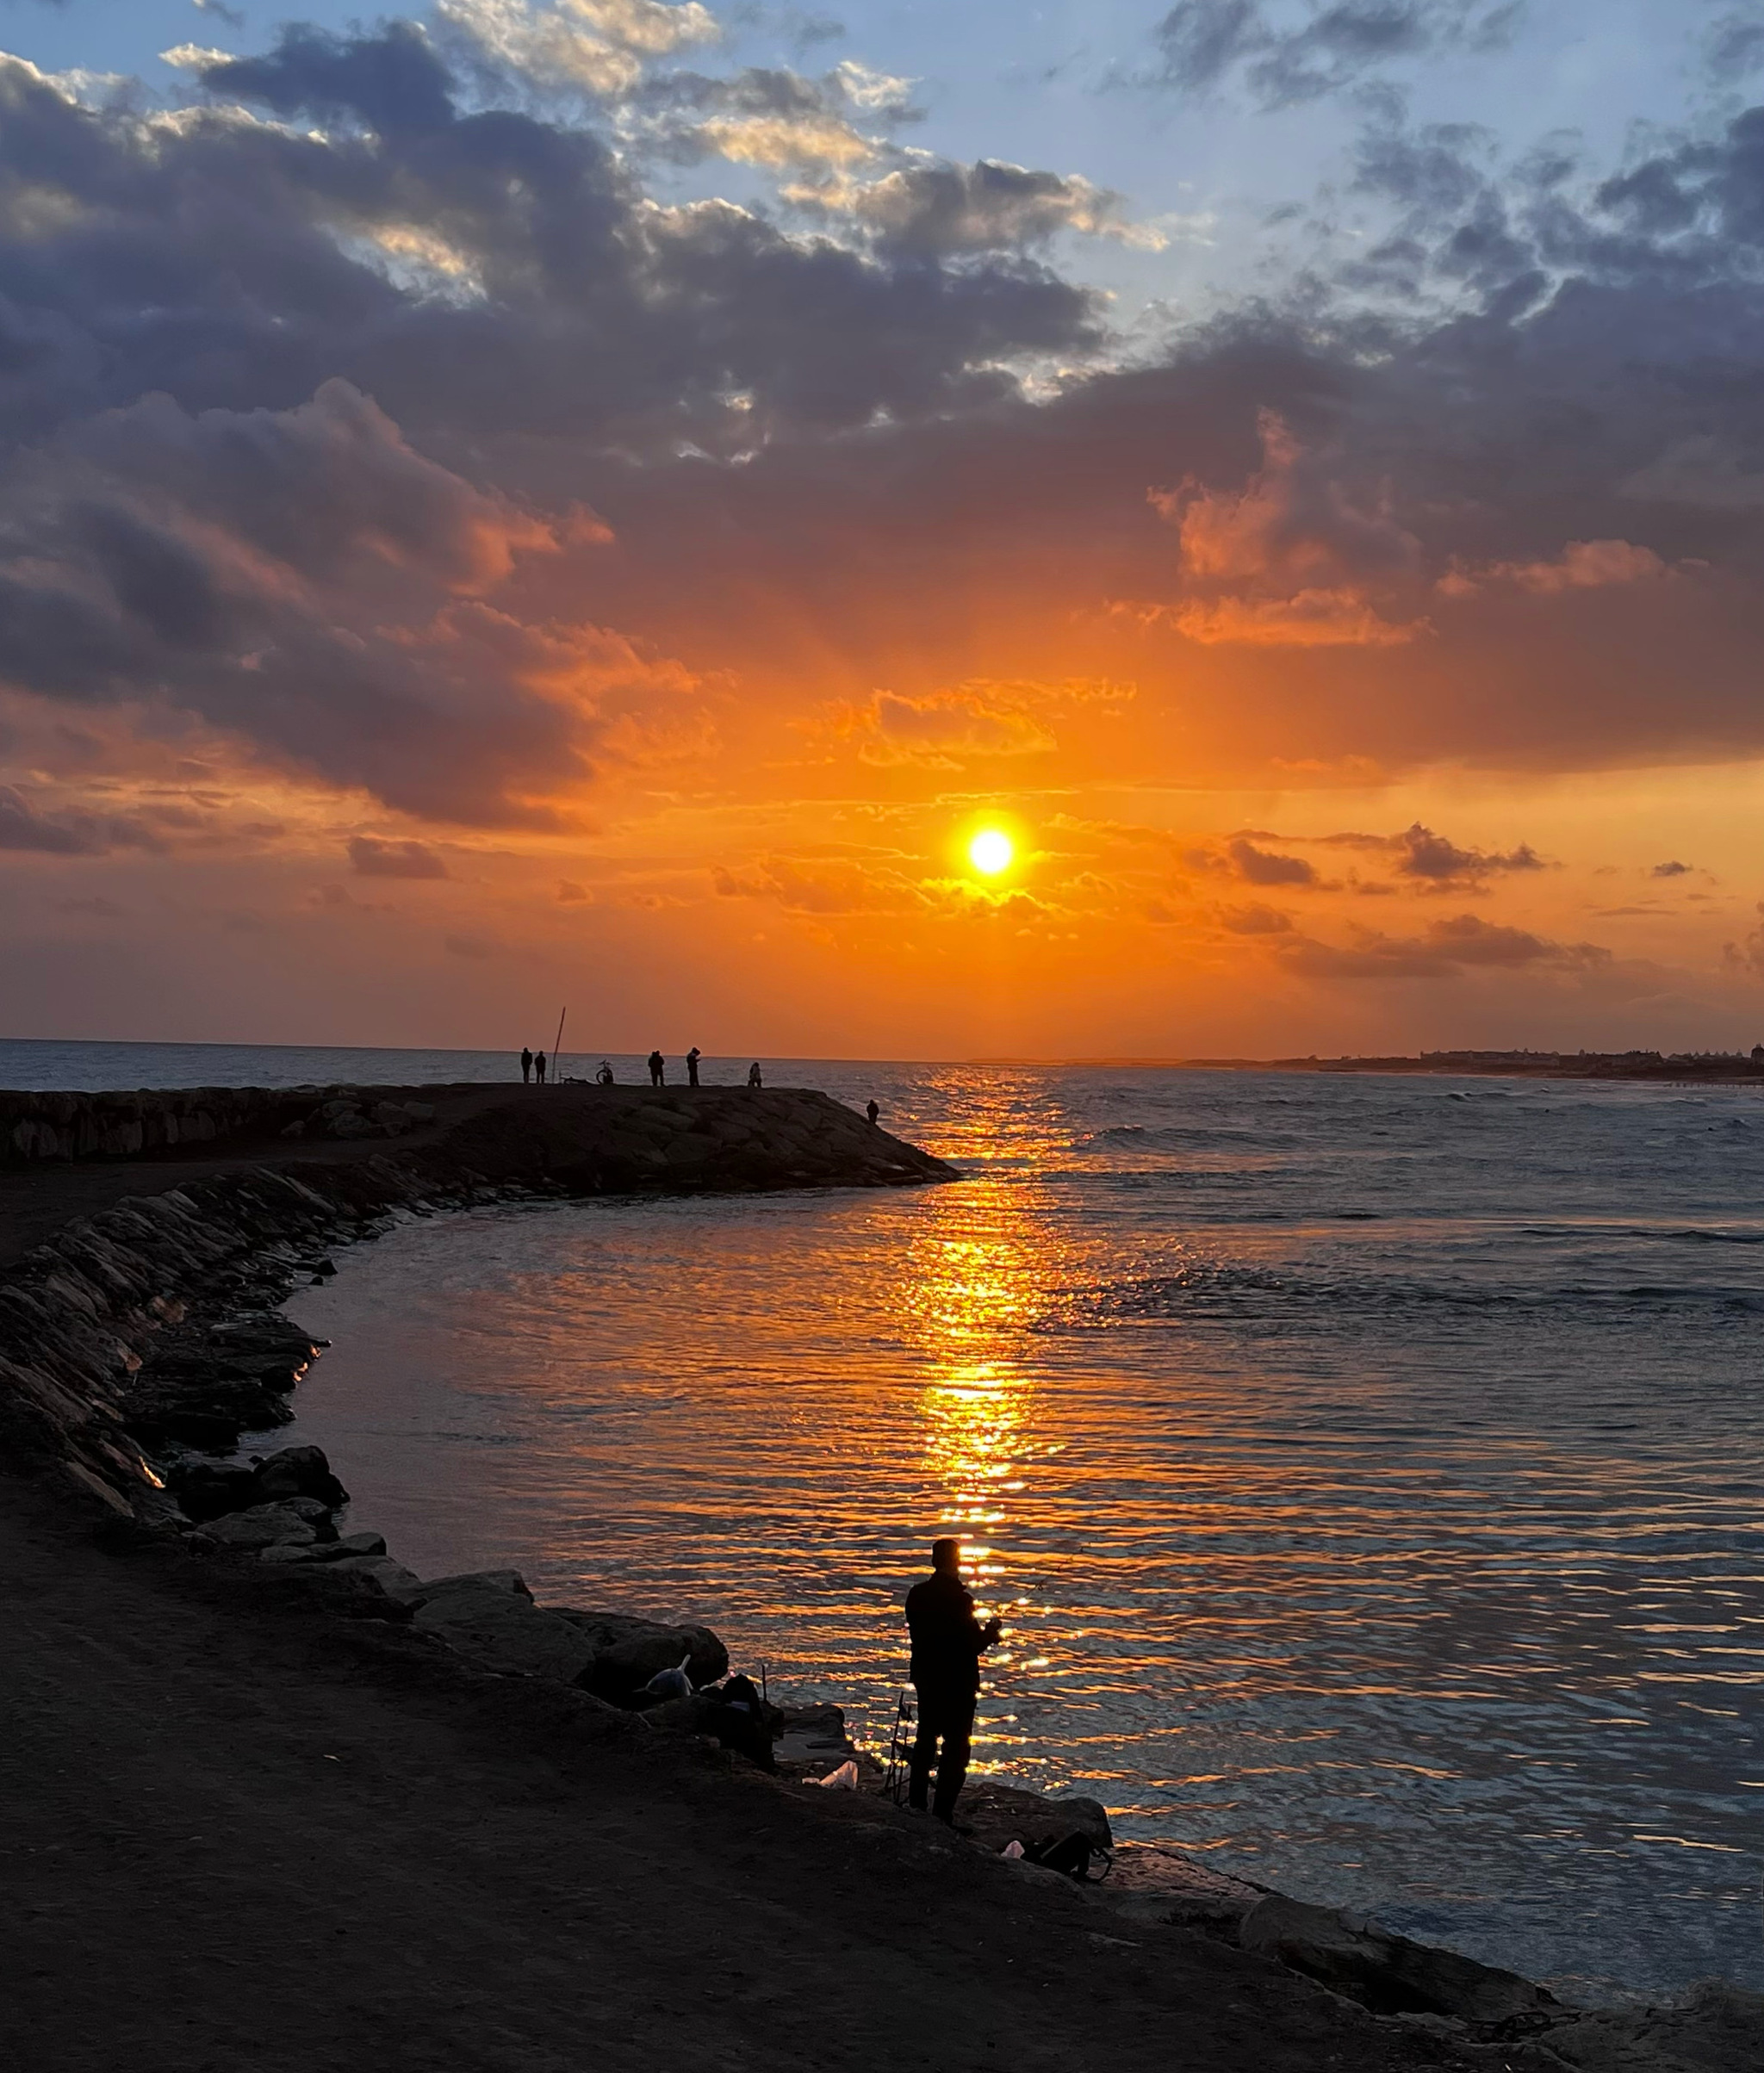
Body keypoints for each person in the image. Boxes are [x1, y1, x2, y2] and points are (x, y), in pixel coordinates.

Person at [904, 1537, 1000, 1826]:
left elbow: (922, 1635)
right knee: (956, 1749)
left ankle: (916, 1806)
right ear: (956, 1561)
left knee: (925, 1741)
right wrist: (991, 1632)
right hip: (957, 1685)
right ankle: (942, 1814)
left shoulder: (916, 1595)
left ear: (934, 1561)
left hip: (926, 1679)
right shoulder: (961, 1601)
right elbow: (970, 1645)